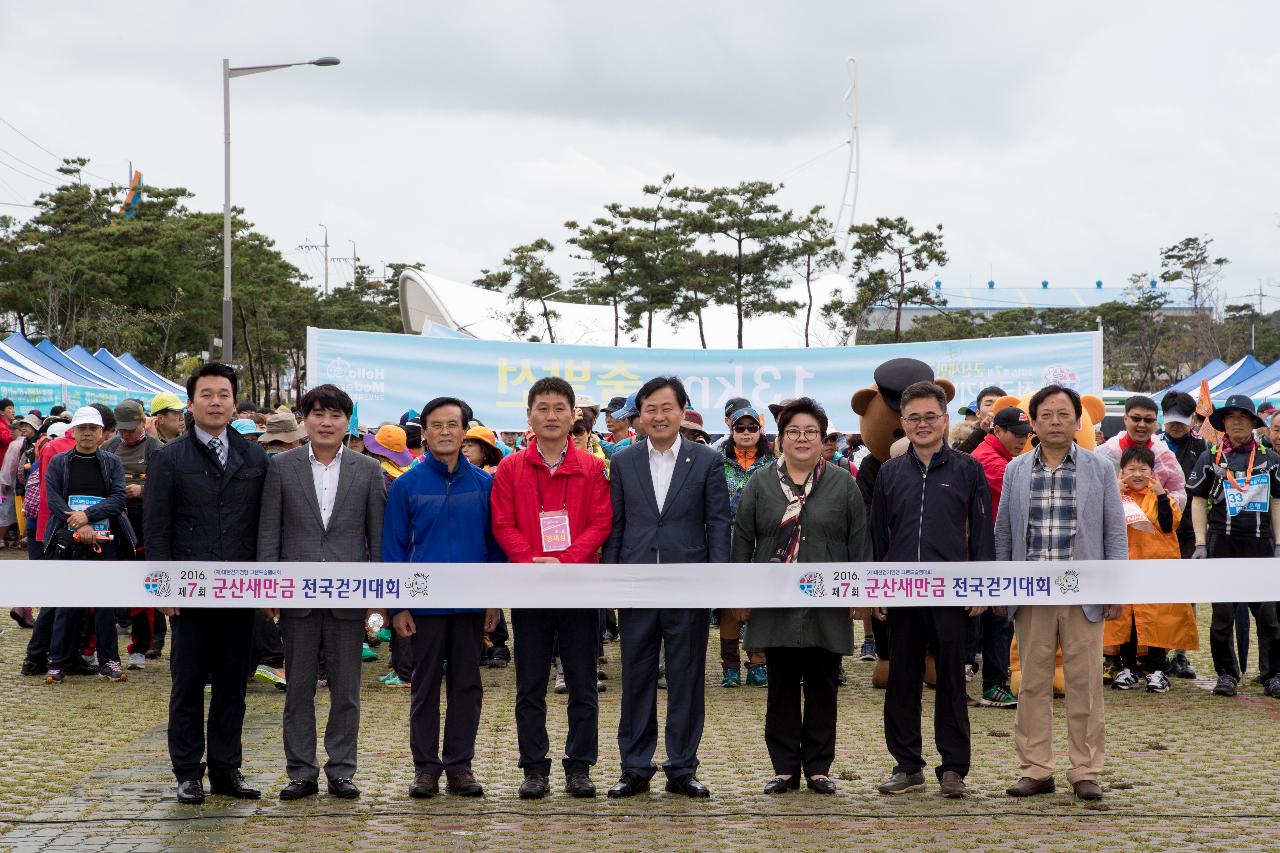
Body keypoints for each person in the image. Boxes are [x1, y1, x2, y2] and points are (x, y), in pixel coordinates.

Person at [996, 384, 1127, 802]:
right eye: (1046, 414)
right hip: (1031, 591)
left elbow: (1114, 532)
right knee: (1031, 682)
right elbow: (1004, 532)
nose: (1055, 421)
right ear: (1032, 422)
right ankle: (1036, 769)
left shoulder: (1100, 468)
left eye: (1064, 414)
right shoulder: (1016, 469)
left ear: (1078, 420)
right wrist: (1003, 585)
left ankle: (1085, 769)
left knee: (1084, 682)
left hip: (1083, 592)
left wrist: (1113, 587)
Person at [145, 362, 268, 805]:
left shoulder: (254, 455)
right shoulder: (167, 458)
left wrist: (266, 587)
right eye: (206, 395)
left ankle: (225, 769)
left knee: (234, 684)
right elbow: (156, 528)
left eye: (223, 395)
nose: (215, 402)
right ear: (190, 404)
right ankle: (186, 771)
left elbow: (260, 527)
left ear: (234, 402)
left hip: (240, 592)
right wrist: (164, 587)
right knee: (189, 682)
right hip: (189, 592)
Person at [733, 398, 870, 794]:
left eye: (811, 432)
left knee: (823, 686)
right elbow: (742, 538)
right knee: (781, 688)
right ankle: (784, 769)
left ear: (822, 436)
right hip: (775, 599)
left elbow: (859, 538)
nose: (802, 439)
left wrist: (859, 593)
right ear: (781, 437)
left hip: (827, 602)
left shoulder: (842, 481)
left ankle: (818, 767)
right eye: (793, 431)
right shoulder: (760, 482)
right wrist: (740, 594)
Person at [604, 376, 731, 800]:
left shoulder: (706, 460)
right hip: (636, 584)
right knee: (636, 677)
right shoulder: (623, 462)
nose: (658, 416)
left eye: (666, 408)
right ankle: (634, 768)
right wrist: (612, 580)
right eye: (650, 409)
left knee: (686, 677)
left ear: (682, 412)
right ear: (638, 416)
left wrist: (717, 580)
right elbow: (617, 526)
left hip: (688, 585)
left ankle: (682, 768)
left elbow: (718, 522)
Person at [258, 384, 387, 801]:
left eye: (335, 415)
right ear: (304, 420)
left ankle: (342, 769)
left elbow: (378, 537)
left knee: (347, 689)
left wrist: (378, 593)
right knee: (298, 688)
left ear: (347, 421)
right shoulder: (282, 466)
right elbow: (269, 531)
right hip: (296, 595)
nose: (326, 422)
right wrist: (268, 588)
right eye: (317, 414)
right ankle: (301, 771)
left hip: (349, 597)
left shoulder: (367, 470)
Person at [867, 382, 994, 798]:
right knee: (901, 679)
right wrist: (878, 591)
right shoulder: (888, 473)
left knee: (951, 682)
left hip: (952, 596)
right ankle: (907, 766)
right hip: (901, 596)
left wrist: (981, 587)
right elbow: (877, 539)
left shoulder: (967, 469)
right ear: (902, 423)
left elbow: (981, 533)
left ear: (945, 420)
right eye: (913, 418)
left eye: (930, 417)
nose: (922, 425)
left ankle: (954, 768)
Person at [491, 378, 613, 800]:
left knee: (583, 682)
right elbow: (503, 523)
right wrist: (532, 561)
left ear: (573, 414)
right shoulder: (510, 468)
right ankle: (534, 768)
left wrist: (566, 560)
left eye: (560, 408)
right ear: (529, 416)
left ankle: (579, 767)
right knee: (530, 684)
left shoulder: (594, 467)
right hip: (530, 589)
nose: (551, 416)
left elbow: (601, 522)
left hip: (579, 587)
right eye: (542, 408)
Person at [384, 396, 502, 798]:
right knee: (425, 685)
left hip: (472, 602)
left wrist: (493, 599)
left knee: (468, 685)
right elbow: (393, 547)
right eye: (437, 425)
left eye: (454, 424)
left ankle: (460, 766)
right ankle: (426, 769)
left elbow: (495, 546)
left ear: (465, 430)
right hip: (423, 603)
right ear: (425, 431)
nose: (446, 431)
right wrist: (397, 605)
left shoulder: (486, 484)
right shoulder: (406, 485)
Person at [1186, 394, 1280, 698]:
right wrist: (1200, 543)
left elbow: (1278, 502)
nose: (1237, 421)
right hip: (1221, 543)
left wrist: (1279, 542)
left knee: (1268, 616)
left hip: (1260, 543)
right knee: (1222, 615)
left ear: (1254, 422)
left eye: (1243, 416)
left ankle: (1272, 675)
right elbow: (1198, 500)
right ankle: (1226, 674)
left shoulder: (1270, 459)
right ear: (1223, 422)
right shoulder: (1210, 456)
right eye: (1231, 416)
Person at [41, 406, 137, 684]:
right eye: (82, 428)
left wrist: (89, 516)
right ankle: (58, 663)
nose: (87, 433)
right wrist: (79, 523)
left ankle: (110, 661)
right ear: (73, 432)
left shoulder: (112, 462)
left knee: (106, 602)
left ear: (101, 434)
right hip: (68, 540)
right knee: (66, 602)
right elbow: (54, 499)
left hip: (105, 541)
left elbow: (118, 498)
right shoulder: (60, 462)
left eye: (93, 429)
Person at [1105, 445, 1197, 694]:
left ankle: (1157, 671)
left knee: (1158, 621)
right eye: (1131, 468)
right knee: (1126, 621)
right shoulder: (1113, 496)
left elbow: (1168, 526)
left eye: (1143, 469)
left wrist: (1159, 495)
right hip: (1124, 569)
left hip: (1156, 569)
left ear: (1152, 472)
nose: (1137, 474)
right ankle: (1127, 669)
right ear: (1121, 471)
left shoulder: (1162, 498)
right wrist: (1113, 492)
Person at [966, 405, 1031, 708]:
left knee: (995, 619)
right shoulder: (987, 458)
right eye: (1016, 434)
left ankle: (985, 679)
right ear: (998, 431)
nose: (1022, 440)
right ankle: (992, 684)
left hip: (994, 549)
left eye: (1026, 435)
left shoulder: (1006, 457)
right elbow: (1024, 485)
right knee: (994, 619)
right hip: (985, 551)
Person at [102, 399, 165, 669]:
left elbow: (168, 487)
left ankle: (140, 648)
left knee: (143, 589)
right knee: (107, 589)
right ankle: (98, 650)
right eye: (122, 429)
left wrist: (142, 489)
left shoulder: (156, 449)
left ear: (143, 422)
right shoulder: (109, 447)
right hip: (113, 525)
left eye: (131, 429)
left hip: (143, 528)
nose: (126, 434)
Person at [720, 404, 774, 688]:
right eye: (739, 427)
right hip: (728, 540)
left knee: (759, 606)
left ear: (760, 430)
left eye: (751, 427)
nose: (745, 432)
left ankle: (758, 662)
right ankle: (729, 667)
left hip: (763, 541)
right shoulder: (718, 461)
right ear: (731, 430)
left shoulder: (773, 463)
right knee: (730, 607)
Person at [1156, 391, 1207, 679]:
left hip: (1188, 531)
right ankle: (1155, 653)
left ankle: (1181, 654)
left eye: (1182, 421)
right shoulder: (1152, 446)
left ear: (1192, 421)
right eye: (1171, 421)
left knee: (1187, 594)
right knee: (1159, 592)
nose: (1176, 426)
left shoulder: (1203, 449)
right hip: (1157, 530)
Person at [956, 385, 1007, 453]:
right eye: (988, 404)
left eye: (999, 404)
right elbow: (957, 458)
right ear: (978, 413)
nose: (993, 408)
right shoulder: (964, 436)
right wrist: (982, 431)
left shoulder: (1015, 432)